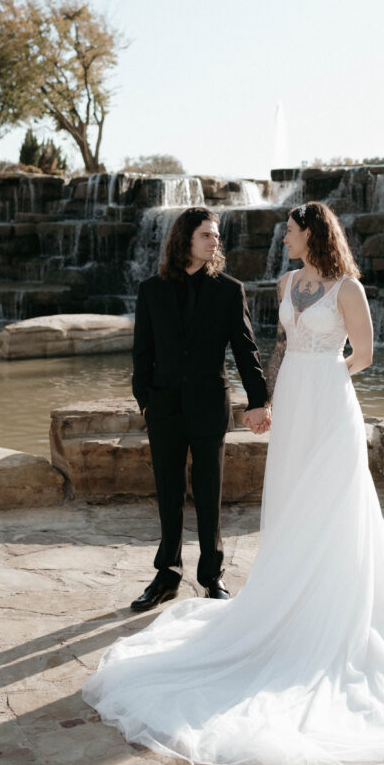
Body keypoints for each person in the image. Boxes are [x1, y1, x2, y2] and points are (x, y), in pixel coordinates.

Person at [83, 201, 384, 765]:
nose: (283, 234)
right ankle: (247, 588)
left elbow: (364, 354)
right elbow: (275, 348)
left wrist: (325, 375)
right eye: (284, 228)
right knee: (287, 503)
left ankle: (304, 598)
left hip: (329, 405)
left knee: (332, 503)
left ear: (312, 233)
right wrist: (269, 399)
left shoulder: (346, 288)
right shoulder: (284, 280)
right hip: (290, 407)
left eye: (290, 228)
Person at [128, 206, 270, 612]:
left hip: (210, 405)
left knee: (209, 494)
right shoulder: (151, 290)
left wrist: (259, 400)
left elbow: (246, 349)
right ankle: (167, 575)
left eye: (217, 235)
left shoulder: (229, 289)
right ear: (185, 239)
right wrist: (146, 401)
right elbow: (142, 353)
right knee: (168, 493)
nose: (215, 241)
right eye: (207, 234)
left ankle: (212, 575)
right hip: (164, 408)